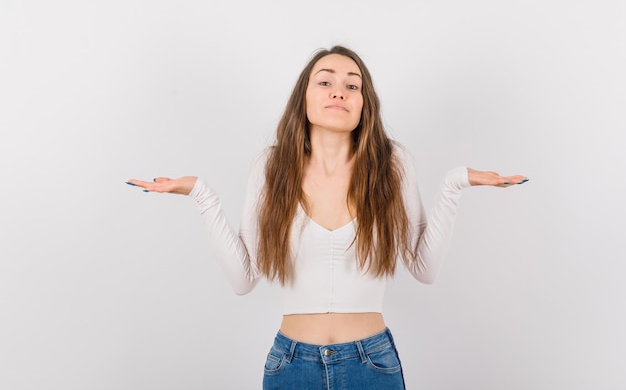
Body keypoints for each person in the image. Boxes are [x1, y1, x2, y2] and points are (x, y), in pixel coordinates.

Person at [127, 45, 528, 390]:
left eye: (353, 85)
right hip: (290, 366)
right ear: (303, 97)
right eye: (325, 82)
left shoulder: (392, 165)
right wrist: (202, 194)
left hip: (373, 364)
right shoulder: (272, 167)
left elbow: (424, 268)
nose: (340, 92)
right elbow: (243, 279)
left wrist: (454, 184)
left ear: (363, 104)